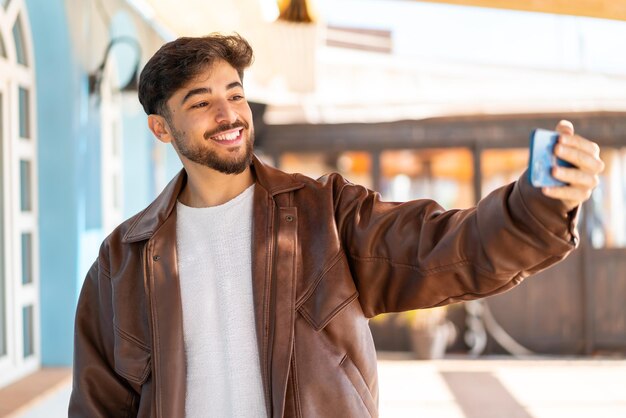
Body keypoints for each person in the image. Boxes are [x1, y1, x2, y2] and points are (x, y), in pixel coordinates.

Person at [69, 34, 605, 418]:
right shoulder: (124, 259)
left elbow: (447, 246)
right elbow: (99, 402)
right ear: (161, 128)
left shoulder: (324, 212)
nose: (229, 113)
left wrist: (538, 206)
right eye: (201, 102)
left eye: (234, 93)